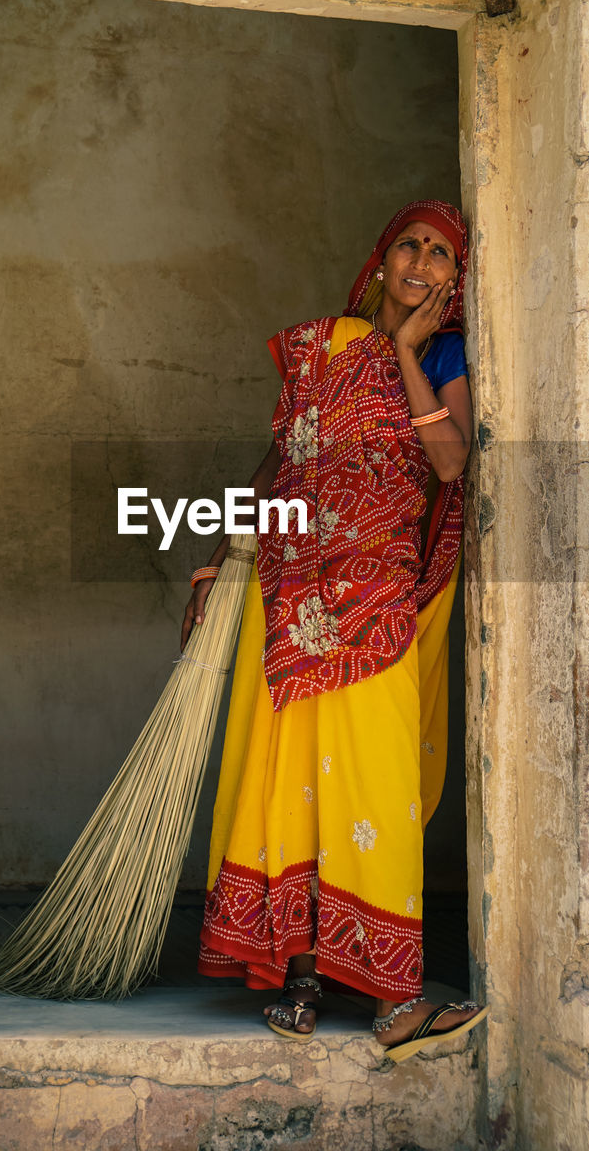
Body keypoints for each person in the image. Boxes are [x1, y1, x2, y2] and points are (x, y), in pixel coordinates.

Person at [181, 200, 488, 1062]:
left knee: (372, 782)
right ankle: (302, 977)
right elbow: (279, 461)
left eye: (440, 254)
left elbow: (452, 462)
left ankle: (393, 1000)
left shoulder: (442, 354)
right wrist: (222, 558)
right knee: (293, 781)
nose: (422, 263)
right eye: (409, 246)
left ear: (453, 280)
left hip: (376, 601)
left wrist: (401, 354)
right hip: (291, 592)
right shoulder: (325, 348)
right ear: (381, 259)